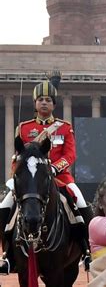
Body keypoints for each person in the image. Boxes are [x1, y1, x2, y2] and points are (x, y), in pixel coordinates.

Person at [0, 70, 94, 271]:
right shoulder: (23, 129)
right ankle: (7, 255)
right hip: (30, 181)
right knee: (5, 208)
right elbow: (17, 156)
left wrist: (52, 167)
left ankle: (87, 251)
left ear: (54, 104)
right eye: (41, 99)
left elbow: (70, 156)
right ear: (35, 103)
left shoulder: (64, 127)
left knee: (81, 205)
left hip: (60, 178)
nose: (44, 103)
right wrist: (17, 174)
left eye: (48, 100)